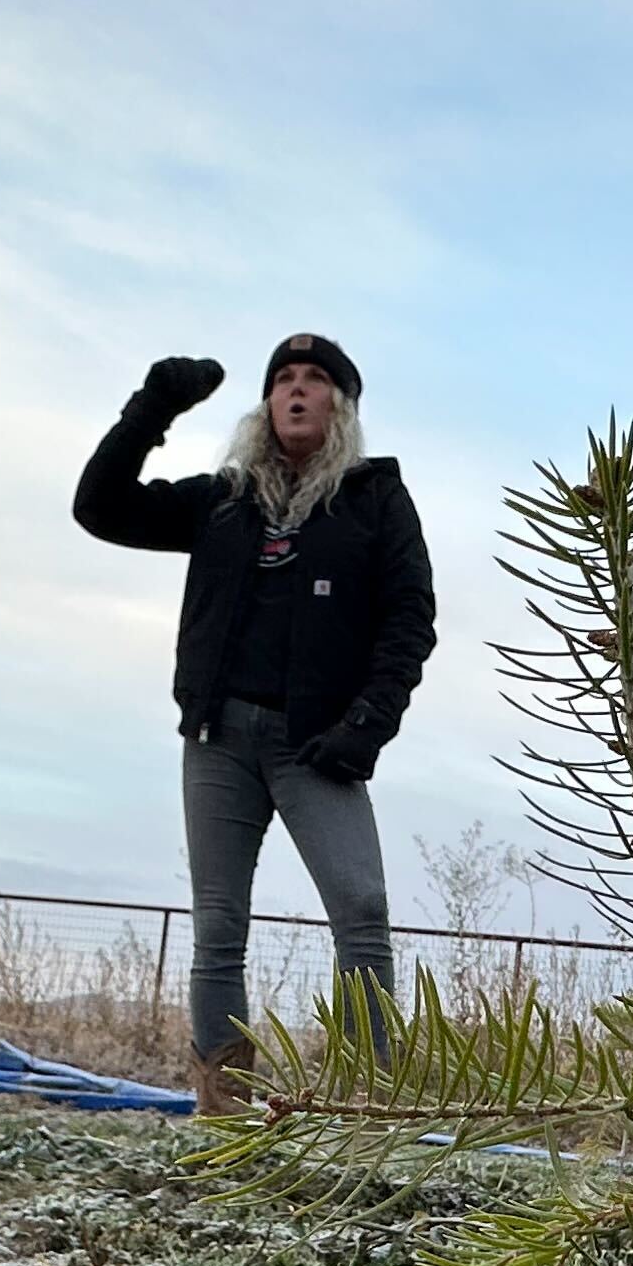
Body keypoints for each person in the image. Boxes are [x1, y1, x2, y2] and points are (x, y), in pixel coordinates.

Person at [74, 335, 437, 1114]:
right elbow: (99, 509)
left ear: (342, 405)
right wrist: (153, 408)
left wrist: (366, 726)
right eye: (283, 380)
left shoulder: (374, 500)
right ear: (266, 403)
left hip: (320, 747)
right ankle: (225, 1109)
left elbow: (410, 621)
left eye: (316, 380)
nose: (298, 391)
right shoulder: (223, 502)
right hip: (220, 743)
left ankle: (371, 1104)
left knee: (362, 911)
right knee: (219, 928)